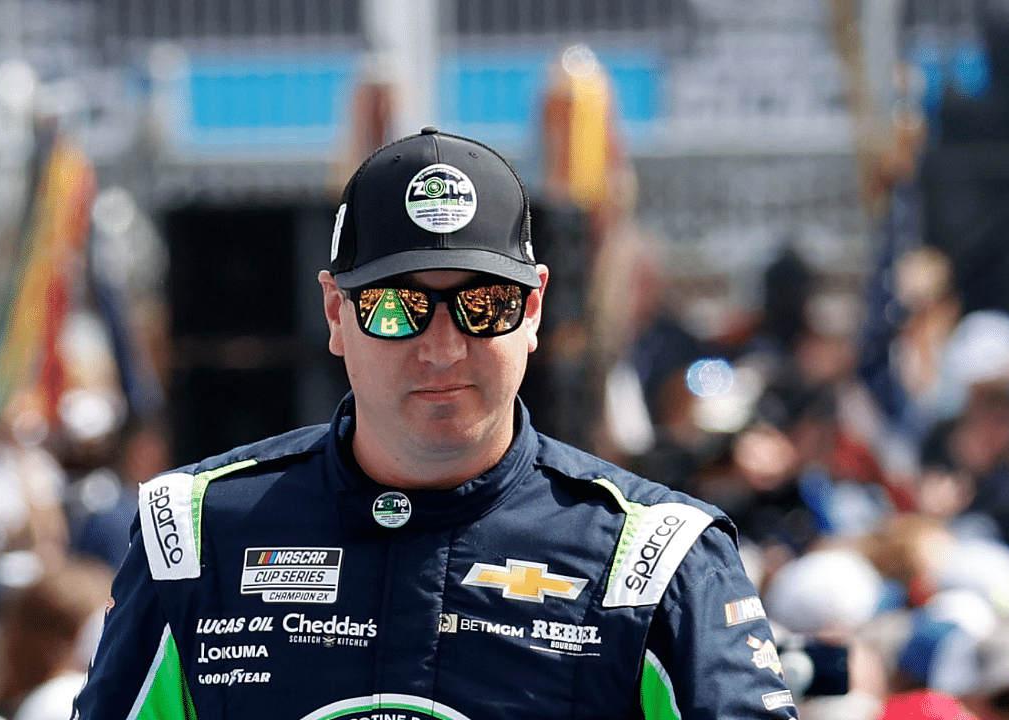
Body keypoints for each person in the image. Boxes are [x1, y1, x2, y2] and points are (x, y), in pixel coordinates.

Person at [73, 127, 798, 720]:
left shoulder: (655, 559)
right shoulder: (194, 534)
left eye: (484, 305)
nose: (443, 347)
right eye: (398, 307)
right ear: (335, 312)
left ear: (536, 307)